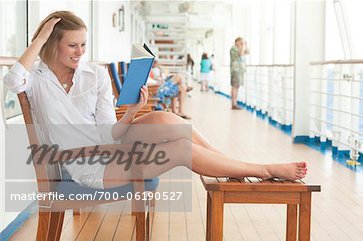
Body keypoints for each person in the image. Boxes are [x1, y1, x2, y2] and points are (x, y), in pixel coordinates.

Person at [3, 11, 307, 190]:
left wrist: (132, 110)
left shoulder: (92, 75)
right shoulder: (37, 79)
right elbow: (11, 81)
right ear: (50, 44)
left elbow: (110, 131)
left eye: (83, 44)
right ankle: (260, 169)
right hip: (86, 166)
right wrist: (38, 39)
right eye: (72, 45)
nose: (80, 52)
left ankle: (230, 165)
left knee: (162, 117)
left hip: (107, 146)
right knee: (180, 149)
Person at [230, 37, 249, 110]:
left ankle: (235, 103)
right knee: (235, 86)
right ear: (236, 42)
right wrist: (242, 46)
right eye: (240, 42)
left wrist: (245, 45)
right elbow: (241, 54)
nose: (242, 43)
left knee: (236, 87)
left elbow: (247, 52)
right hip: (236, 70)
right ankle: (234, 104)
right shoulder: (234, 48)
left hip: (239, 70)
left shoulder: (239, 48)